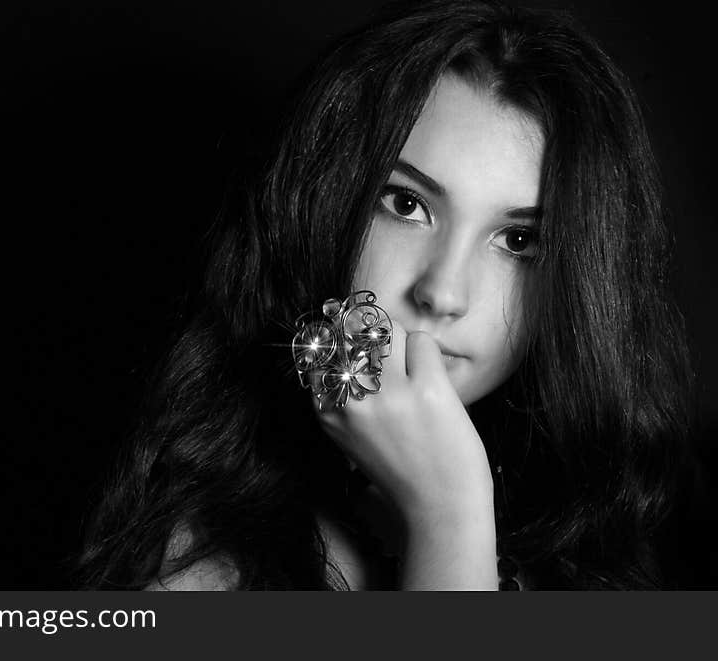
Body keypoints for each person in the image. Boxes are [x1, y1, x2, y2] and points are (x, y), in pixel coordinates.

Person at [78, 0, 693, 590]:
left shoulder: (591, 540)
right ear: (327, 204)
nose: (443, 292)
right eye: (407, 204)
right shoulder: (199, 562)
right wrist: (449, 514)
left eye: (518, 240)